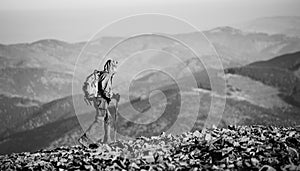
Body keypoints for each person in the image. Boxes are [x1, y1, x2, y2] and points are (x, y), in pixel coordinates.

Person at [78, 59, 119, 147]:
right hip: (102, 100)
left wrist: (112, 95)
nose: (115, 69)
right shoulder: (106, 75)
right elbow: (104, 90)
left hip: (100, 99)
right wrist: (113, 96)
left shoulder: (105, 74)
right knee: (100, 120)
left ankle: (107, 139)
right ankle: (85, 139)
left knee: (108, 119)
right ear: (111, 67)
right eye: (114, 67)